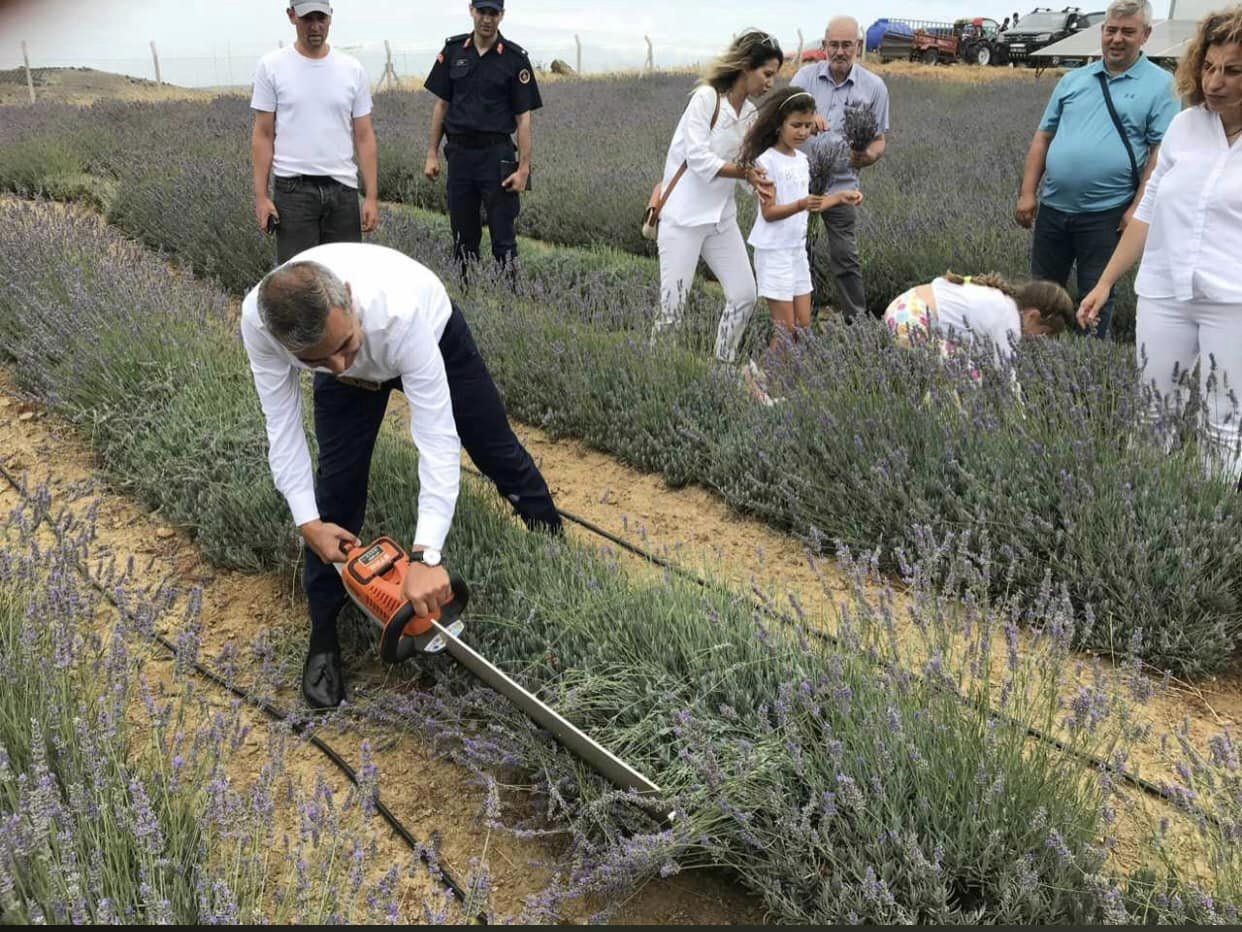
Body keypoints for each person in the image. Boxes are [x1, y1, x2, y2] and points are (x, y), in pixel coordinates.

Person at [240, 243, 563, 709]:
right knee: (336, 489)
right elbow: (282, 425)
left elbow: (436, 437)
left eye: (345, 346)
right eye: (317, 362)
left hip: (433, 335)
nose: (340, 367)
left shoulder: (400, 312)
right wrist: (307, 521)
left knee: (495, 450)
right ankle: (324, 635)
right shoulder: (261, 323)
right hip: (352, 347)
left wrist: (425, 555)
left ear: (347, 298)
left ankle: (550, 542)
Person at [1078, 8, 1242, 482]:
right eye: (1209, 67)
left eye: (1232, 71)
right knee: (1152, 414)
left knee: (1224, 423)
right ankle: (1142, 520)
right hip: (1164, 291)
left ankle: (1212, 532)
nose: (1214, 82)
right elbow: (1147, 209)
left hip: (1232, 300)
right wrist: (1106, 282)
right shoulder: (1185, 126)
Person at [1014, 0, 1179, 339]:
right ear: (1102, 32)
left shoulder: (1161, 85)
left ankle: (1087, 368)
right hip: (1054, 209)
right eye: (1111, 30)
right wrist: (1028, 193)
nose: (1117, 39)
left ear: (1145, 35)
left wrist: (1137, 208)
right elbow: (1043, 137)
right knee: (1040, 298)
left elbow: (1160, 154)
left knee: (1095, 301)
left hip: (1107, 215)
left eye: (1128, 32)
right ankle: (1038, 366)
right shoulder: (1074, 80)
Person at [649, 29, 782, 365]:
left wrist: (761, 188)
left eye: (774, 76)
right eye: (767, 74)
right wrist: (744, 173)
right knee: (672, 309)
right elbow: (697, 158)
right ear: (746, 68)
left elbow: (747, 166)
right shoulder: (707, 99)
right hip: (683, 219)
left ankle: (722, 365)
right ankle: (656, 372)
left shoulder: (750, 114)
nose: (770, 83)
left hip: (720, 219)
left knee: (744, 294)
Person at [738, 88, 862, 381]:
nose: (803, 132)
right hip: (773, 251)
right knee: (785, 332)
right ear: (779, 124)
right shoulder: (765, 162)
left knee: (803, 328)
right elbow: (770, 213)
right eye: (796, 125)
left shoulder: (802, 161)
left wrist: (840, 197)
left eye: (808, 126)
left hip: (795, 251)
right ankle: (754, 382)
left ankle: (779, 384)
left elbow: (810, 206)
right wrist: (800, 204)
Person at [251, 1, 379, 264]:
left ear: (331, 17)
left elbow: (364, 136)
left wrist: (372, 198)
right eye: (307, 18)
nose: (315, 26)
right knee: (298, 282)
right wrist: (262, 197)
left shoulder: (352, 69)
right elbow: (263, 135)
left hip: (343, 190)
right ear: (291, 17)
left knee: (345, 279)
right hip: (294, 192)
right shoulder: (272, 66)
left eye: (321, 18)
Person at [423, 0, 539, 275]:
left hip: (496, 157)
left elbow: (524, 118)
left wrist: (523, 169)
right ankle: (467, 298)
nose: (487, 19)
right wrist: (432, 153)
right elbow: (442, 105)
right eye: (482, 12)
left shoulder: (514, 59)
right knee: (463, 238)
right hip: (460, 156)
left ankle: (510, 303)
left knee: (503, 237)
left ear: (501, 16)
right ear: (471, 11)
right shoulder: (453, 51)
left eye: (493, 13)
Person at [790, 16, 890, 323]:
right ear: (824, 46)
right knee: (797, 251)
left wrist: (869, 156)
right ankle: (800, 318)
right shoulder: (804, 78)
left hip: (842, 186)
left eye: (847, 45)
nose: (840, 51)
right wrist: (808, 120)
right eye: (834, 45)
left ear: (858, 47)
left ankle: (856, 324)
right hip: (798, 181)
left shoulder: (874, 87)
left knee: (844, 257)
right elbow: (783, 120)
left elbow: (879, 140)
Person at [884, 272, 1074, 371]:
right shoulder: (1009, 321)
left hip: (902, 306)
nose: (1039, 340)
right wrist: (1019, 418)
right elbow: (1005, 373)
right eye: (1042, 333)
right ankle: (936, 424)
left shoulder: (1000, 298)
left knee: (961, 361)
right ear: (1032, 315)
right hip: (910, 321)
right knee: (966, 376)